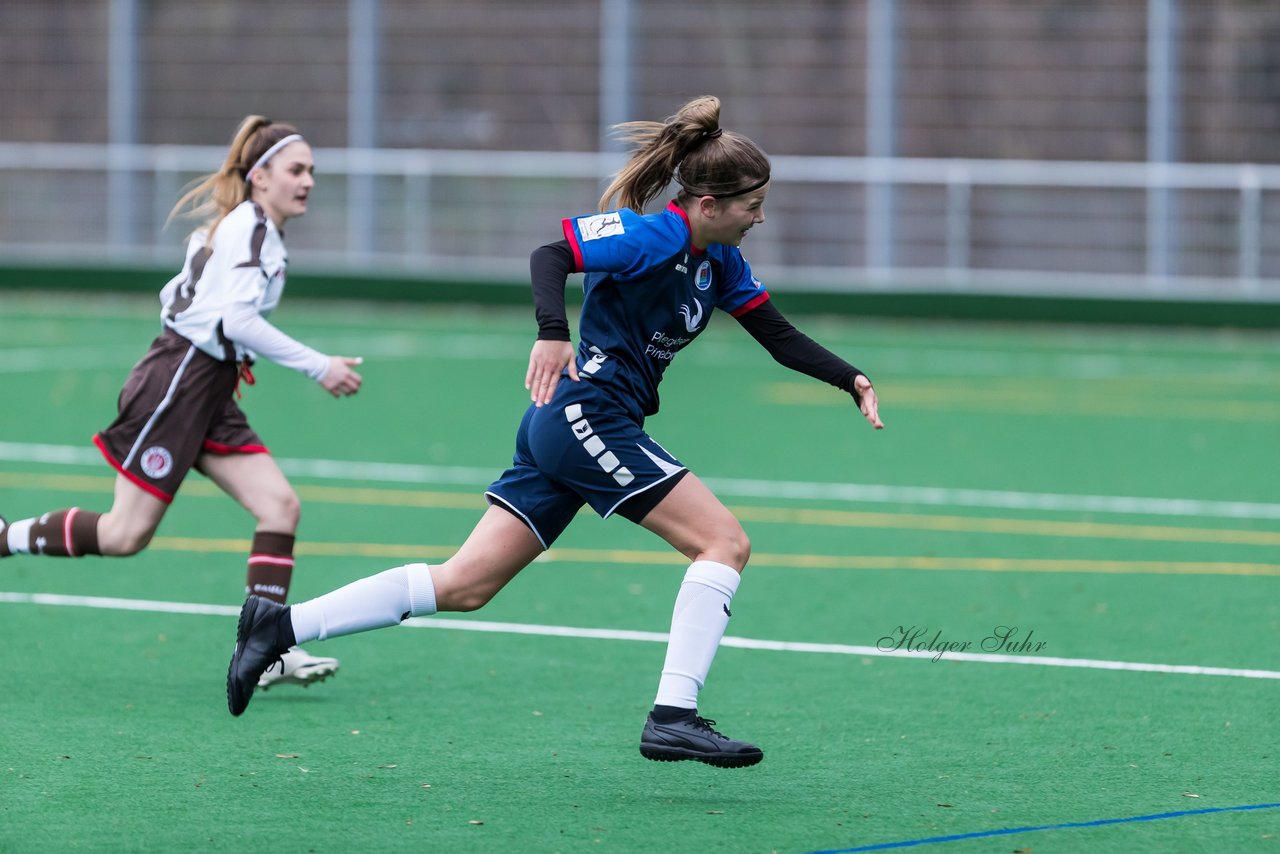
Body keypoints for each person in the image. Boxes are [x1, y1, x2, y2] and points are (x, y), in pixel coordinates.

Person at [226, 96, 882, 768]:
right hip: (583, 416)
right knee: (723, 542)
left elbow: (777, 336)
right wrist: (550, 334)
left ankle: (280, 624)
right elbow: (550, 256)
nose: (761, 216)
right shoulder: (649, 236)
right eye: (752, 204)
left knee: (465, 585)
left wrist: (850, 379)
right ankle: (673, 716)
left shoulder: (721, 266)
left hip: (570, 426)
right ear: (709, 204)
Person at [0, 115, 364, 693]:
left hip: (208, 385)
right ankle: (4, 537)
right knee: (124, 536)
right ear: (261, 176)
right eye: (297, 170)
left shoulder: (247, 225)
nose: (309, 181)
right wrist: (319, 366)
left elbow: (196, 302)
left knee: (280, 508)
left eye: (312, 171)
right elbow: (234, 319)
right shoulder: (251, 229)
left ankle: (262, 646)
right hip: (178, 385)